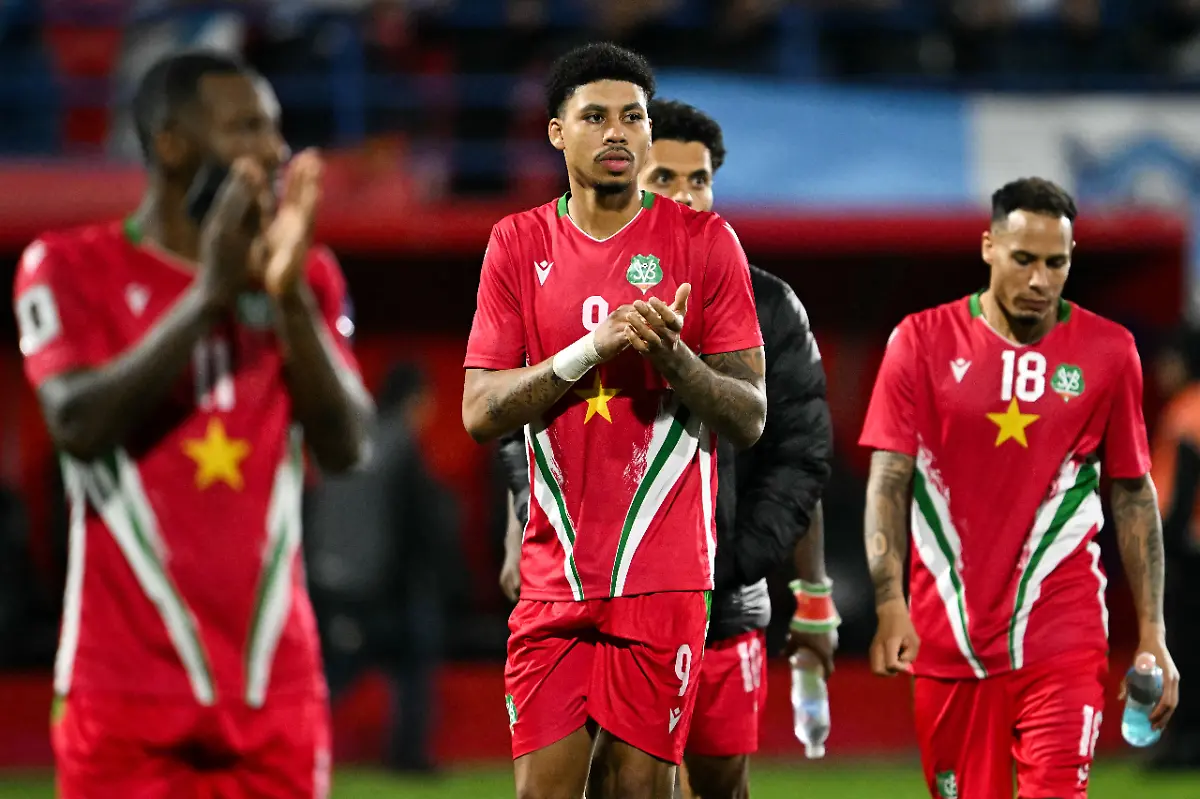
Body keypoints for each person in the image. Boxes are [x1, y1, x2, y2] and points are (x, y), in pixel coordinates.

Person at [12, 50, 374, 799]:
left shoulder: (309, 277)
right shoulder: (70, 266)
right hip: (122, 691)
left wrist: (288, 299)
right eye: (247, 128)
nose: (275, 152)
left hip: (277, 689)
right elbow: (76, 422)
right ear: (172, 143)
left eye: (275, 131)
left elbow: (347, 446)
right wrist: (209, 294)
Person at [497, 98, 837, 799]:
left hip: (724, 595)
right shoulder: (565, 280)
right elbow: (517, 422)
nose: (686, 195)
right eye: (668, 178)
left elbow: (799, 453)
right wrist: (521, 527)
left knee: (716, 781)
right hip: (591, 581)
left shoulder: (765, 302)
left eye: (700, 179)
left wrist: (769, 573)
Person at [462, 43, 768, 799]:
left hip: (663, 575)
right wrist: (586, 352)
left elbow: (752, 414)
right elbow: (478, 410)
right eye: (594, 117)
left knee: (636, 791)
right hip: (554, 571)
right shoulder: (518, 243)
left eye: (632, 117)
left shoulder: (704, 242)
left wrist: (679, 364)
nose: (618, 133)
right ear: (556, 132)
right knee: (544, 792)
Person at [859, 177, 1180, 799]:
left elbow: (1134, 495)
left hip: (1064, 625)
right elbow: (889, 481)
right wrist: (889, 601)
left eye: (1056, 263)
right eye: (1024, 260)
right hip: (947, 631)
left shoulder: (1110, 351)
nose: (1040, 281)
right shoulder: (920, 342)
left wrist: (1153, 633)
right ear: (988, 247)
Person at [307, 362, 460, 774]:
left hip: (326, 578)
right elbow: (414, 521)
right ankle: (410, 756)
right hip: (379, 585)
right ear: (415, 400)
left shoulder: (351, 435)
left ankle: (296, 741)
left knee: (331, 673)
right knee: (414, 653)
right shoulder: (400, 443)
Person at [1146, 325, 1200, 769]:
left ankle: (1184, 743)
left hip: (1187, 552)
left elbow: (1182, 489)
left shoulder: (1187, 411)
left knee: (1184, 646)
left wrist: (1169, 548)